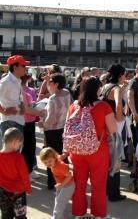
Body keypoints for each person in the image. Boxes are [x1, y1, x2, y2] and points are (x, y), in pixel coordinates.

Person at [68, 76, 117, 218]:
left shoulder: (74, 106)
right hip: (98, 151)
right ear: (98, 89)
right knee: (98, 185)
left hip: (77, 151)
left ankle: (79, 213)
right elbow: (113, 129)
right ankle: (99, 214)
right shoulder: (103, 106)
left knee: (79, 184)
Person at [39, 73, 72, 190]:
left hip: (52, 130)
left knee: (50, 157)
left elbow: (50, 119)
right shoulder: (67, 93)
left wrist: (42, 124)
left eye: (50, 82)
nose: (49, 84)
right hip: (63, 128)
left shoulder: (53, 98)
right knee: (62, 155)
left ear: (56, 84)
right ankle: (67, 179)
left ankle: (52, 182)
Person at [101, 64, 128, 202]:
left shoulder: (105, 87)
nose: (125, 77)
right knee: (115, 162)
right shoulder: (116, 88)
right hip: (114, 128)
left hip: (104, 128)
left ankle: (106, 190)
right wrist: (119, 118)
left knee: (107, 161)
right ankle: (114, 194)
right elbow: (118, 104)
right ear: (120, 75)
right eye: (124, 74)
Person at [0, 127, 31, 219]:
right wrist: (28, 188)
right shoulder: (18, 157)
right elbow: (24, 175)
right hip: (18, 192)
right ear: (15, 142)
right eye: (19, 144)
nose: (19, 147)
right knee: (20, 215)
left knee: (6, 215)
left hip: (2, 192)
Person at [0, 55, 29, 142]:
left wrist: (23, 105)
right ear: (15, 67)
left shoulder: (17, 80)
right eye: (23, 66)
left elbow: (17, 99)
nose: (25, 68)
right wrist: (4, 111)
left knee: (16, 152)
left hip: (17, 121)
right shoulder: (6, 82)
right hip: (9, 123)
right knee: (10, 153)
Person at [39, 147, 75, 219]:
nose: (48, 164)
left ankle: (56, 217)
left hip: (68, 186)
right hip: (62, 185)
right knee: (58, 201)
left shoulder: (59, 167)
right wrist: (66, 153)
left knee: (59, 203)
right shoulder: (55, 161)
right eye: (45, 162)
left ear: (54, 158)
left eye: (49, 161)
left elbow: (70, 175)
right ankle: (62, 216)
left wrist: (61, 185)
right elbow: (61, 156)